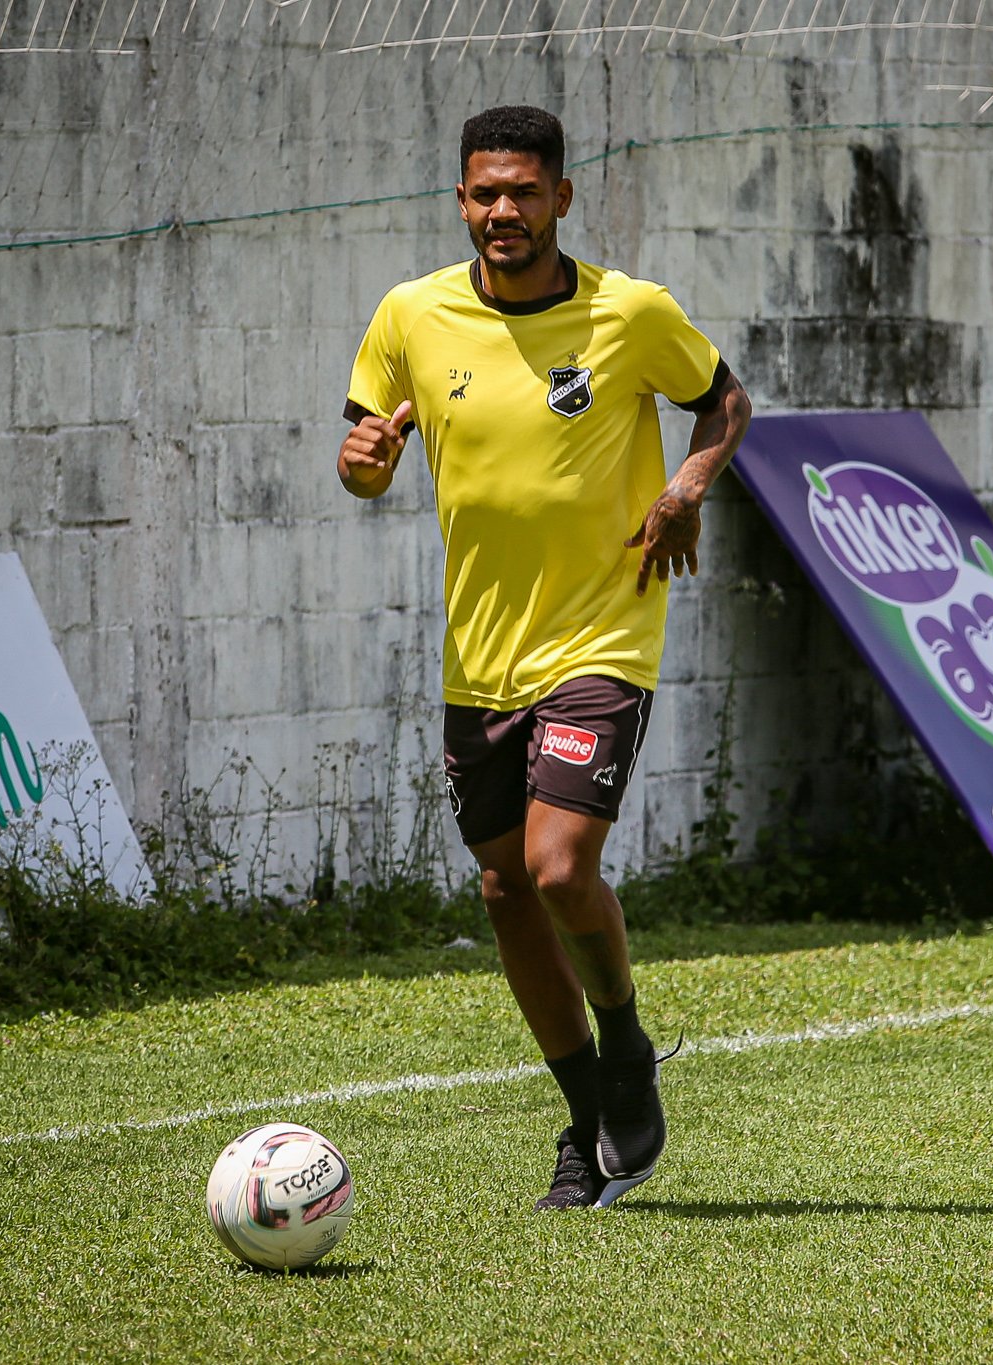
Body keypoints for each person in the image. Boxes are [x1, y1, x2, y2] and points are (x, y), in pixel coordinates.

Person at [337, 105, 751, 1210]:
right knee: (503, 888)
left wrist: (684, 489)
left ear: (562, 198)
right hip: (479, 659)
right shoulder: (409, 316)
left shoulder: (629, 314)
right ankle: (587, 1121)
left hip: (604, 636)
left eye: (523, 192)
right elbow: (364, 462)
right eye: (484, 193)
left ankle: (623, 1047)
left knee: (561, 867)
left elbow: (723, 402)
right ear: (459, 200)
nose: (502, 212)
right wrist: (364, 459)